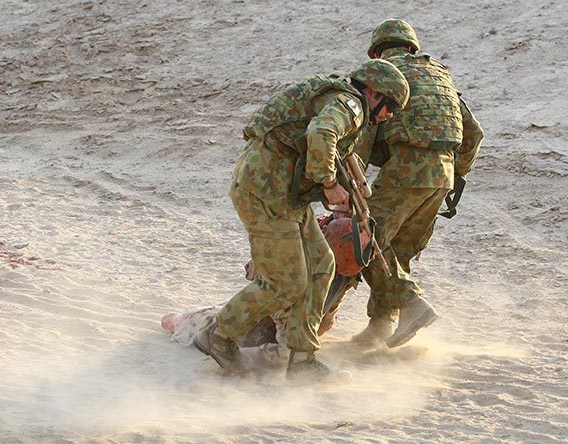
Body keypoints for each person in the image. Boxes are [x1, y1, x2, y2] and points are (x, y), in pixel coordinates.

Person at [193, 59, 409, 379]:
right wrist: (328, 183)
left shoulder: (341, 100)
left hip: (284, 195)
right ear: (373, 93)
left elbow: (333, 146)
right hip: (266, 193)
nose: (389, 115)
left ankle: (302, 357)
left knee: (322, 264)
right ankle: (218, 336)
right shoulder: (350, 105)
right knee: (284, 282)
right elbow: (321, 131)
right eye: (389, 106)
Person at [351, 19, 484, 348]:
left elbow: (364, 134)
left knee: (363, 238)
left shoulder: (382, 76)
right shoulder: (440, 74)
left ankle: (411, 304)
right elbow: (474, 133)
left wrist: (352, 182)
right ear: (412, 45)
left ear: (377, 51)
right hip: (444, 172)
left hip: (407, 167)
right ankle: (381, 326)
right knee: (398, 249)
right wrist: (456, 176)